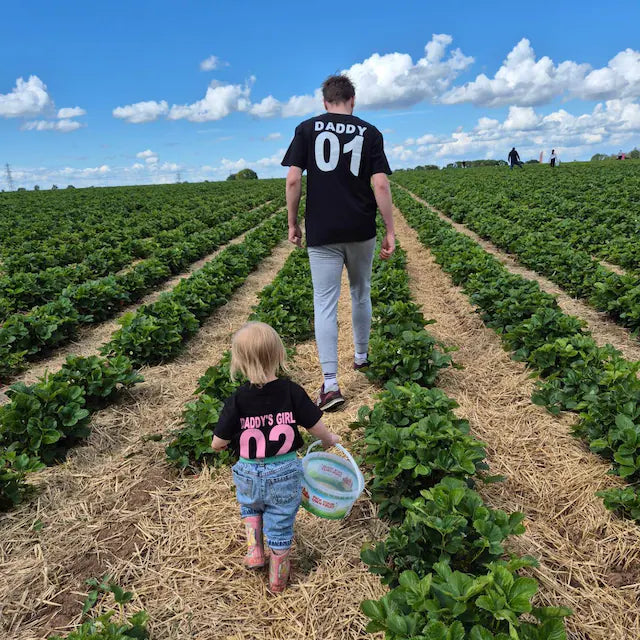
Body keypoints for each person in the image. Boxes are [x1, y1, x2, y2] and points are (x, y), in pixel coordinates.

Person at [281, 74, 395, 412]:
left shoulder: (306, 129)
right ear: (352, 100)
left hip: (323, 230)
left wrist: (292, 221)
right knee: (361, 291)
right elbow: (381, 186)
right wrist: (389, 229)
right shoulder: (370, 132)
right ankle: (361, 357)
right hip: (361, 228)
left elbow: (292, 180)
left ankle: (330, 384)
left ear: (325, 101)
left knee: (325, 303)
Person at [211, 322, 340, 593]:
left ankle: (255, 552)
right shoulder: (291, 391)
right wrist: (330, 441)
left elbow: (217, 443)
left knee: (250, 507)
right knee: (280, 523)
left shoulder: (237, 399)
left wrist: (224, 444)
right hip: (284, 472)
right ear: (279, 355)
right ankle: (277, 581)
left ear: (238, 362)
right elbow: (316, 426)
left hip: (247, 472)